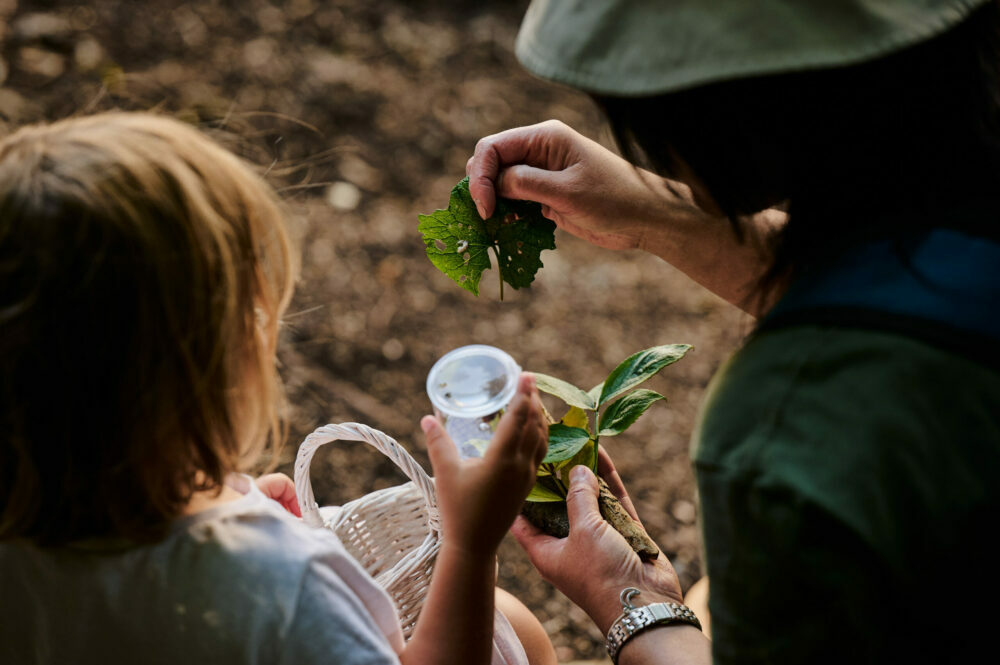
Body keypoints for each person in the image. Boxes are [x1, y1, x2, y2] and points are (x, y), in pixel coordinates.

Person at [467, 1, 1000, 663]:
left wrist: (633, 600)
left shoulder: (792, 431)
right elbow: (919, 279)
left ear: (708, 118)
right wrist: (658, 212)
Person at [0, 112, 558, 665]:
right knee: (518, 631)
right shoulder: (282, 583)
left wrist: (230, 509)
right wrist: (469, 544)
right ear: (200, 379)